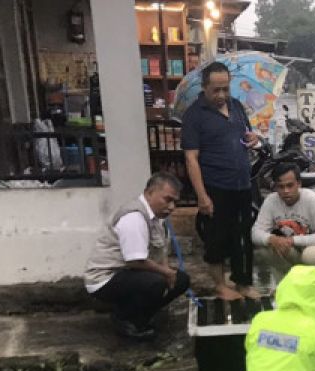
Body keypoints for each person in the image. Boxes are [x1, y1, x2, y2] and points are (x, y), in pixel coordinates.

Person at [182, 60, 261, 302]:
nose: (221, 95)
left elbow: (245, 136)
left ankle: (243, 282)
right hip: (215, 186)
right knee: (216, 238)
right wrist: (202, 196)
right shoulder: (194, 115)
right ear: (204, 87)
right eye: (216, 90)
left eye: (225, 88)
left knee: (242, 236)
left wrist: (253, 138)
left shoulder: (236, 106)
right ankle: (219, 285)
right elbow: (191, 159)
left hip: (243, 183)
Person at [84, 173, 191, 341]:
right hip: (105, 278)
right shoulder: (134, 217)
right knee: (157, 282)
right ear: (149, 193)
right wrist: (166, 273)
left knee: (181, 280)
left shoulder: (157, 218)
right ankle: (124, 319)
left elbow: (160, 250)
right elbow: (135, 260)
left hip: (128, 273)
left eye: (175, 202)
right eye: (167, 199)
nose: (171, 207)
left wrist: (168, 270)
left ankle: (142, 316)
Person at [251, 163, 315, 287]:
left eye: (290, 185)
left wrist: (291, 240)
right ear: (275, 187)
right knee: (266, 248)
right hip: (298, 252)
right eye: (281, 187)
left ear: (299, 184)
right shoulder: (271, 201)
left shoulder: (313, 200)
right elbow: (255, 232)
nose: (286, 191)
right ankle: (288, 285)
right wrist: (271, 239)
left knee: (311, 255)